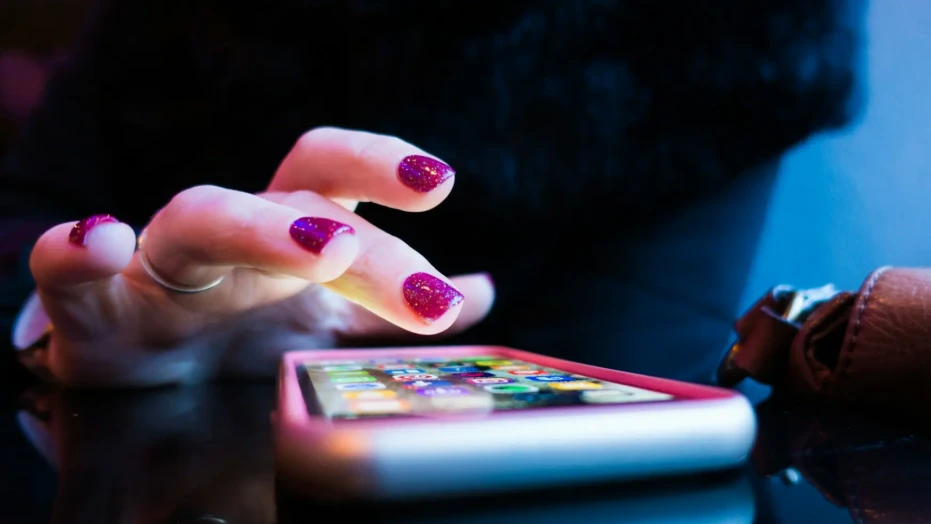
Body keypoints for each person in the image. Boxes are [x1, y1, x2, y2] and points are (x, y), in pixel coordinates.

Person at [1, 0, 862, 386]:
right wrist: (56, 337)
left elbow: (621, 380)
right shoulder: (157, 25)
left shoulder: (722, 44)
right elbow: (28, 214)